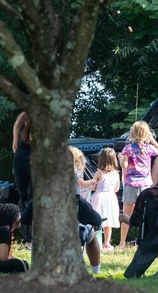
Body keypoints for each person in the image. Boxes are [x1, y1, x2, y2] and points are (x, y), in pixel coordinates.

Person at [22, 146, 102, 274]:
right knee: (91, 235)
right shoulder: (76, 201)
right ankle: (96, 271)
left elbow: (25, 219)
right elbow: (97, 220)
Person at [118, 120, 158, 249]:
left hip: (131, 184)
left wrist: (121, 158)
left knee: (126, 215)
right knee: (146, 214)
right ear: (146, 134)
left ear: (132, 133)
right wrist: (152, 139)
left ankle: (122, 243)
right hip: (145, 185)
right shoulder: (149, 148)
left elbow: (124, 166)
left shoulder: (127, 148)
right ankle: (144, 240)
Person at [88, 147, 121, 250]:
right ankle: (107, 243)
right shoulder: (116, 174)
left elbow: (93, 187)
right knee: (109, 222)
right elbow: (116, 188)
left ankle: (95, 242)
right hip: (111, 197)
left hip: (99, 197)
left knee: (96, 220)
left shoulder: (98, 173)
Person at [12, 111, 32, 250]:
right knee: (27, 199)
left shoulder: (21, 121)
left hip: (26, 162)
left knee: (28, 199)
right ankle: (30, 239)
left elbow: (14, 147)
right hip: (27, 162)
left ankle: (30, 240)